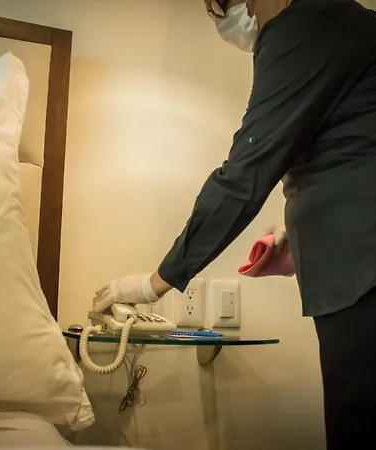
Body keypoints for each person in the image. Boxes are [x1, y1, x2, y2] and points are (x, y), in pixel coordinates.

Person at [94, 1, 376, 449]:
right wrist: (298, 229)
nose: (221, 18)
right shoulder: (343, 20)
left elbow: (243, 176)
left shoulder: (301, 24)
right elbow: (353, 149)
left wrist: (152, 284)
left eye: (217, 6)